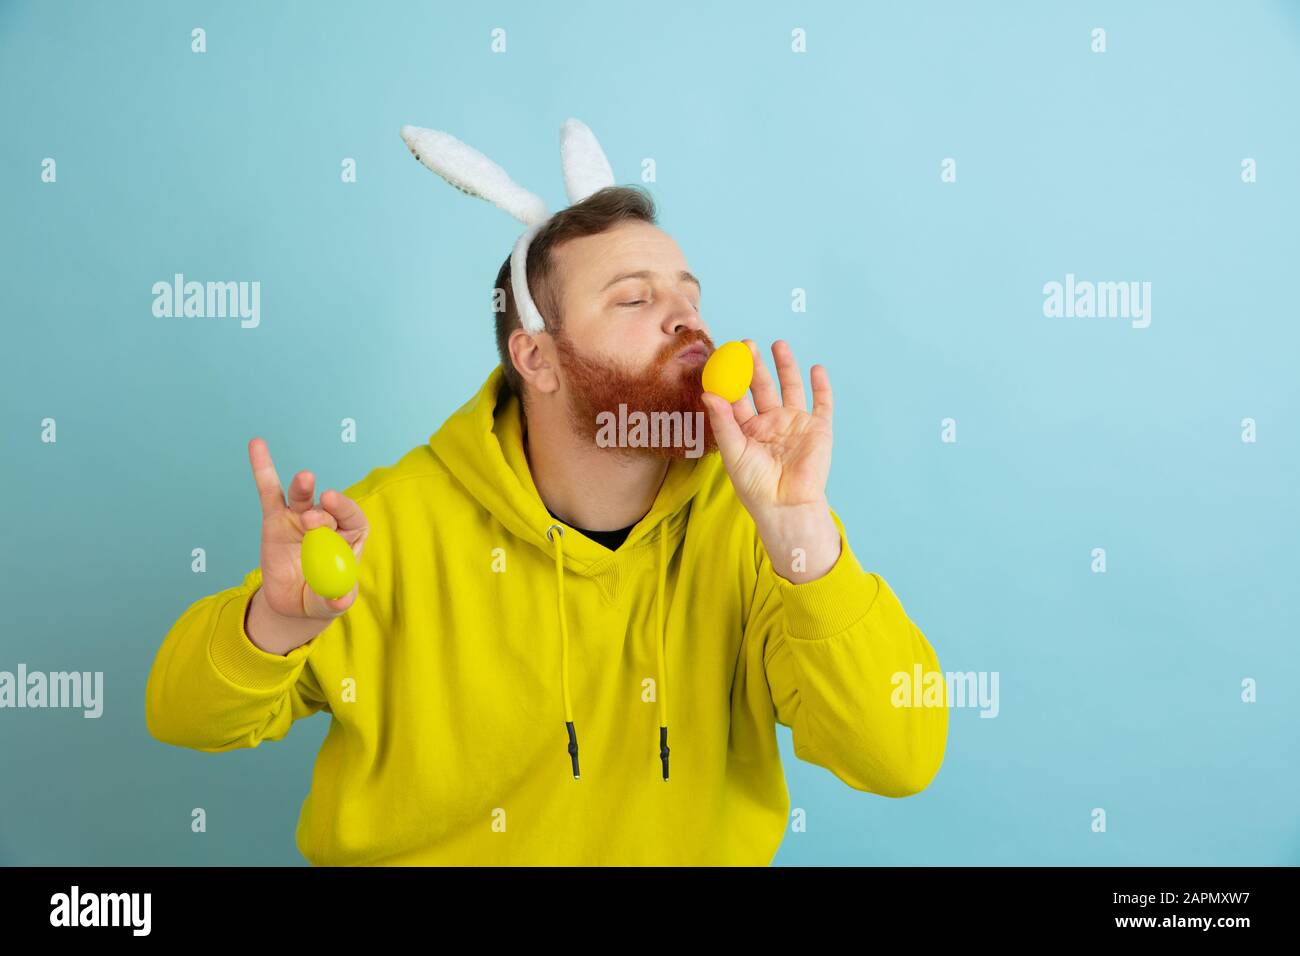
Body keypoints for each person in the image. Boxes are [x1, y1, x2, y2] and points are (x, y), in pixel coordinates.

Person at [145, 185, 948, 866]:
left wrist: (802, 531)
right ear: (536, 359)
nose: (687, 321)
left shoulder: (753, 526)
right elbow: (180, 718)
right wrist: (277, 621)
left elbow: (900, 758)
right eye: (636, 298)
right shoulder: (386, 528)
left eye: (690, 297)